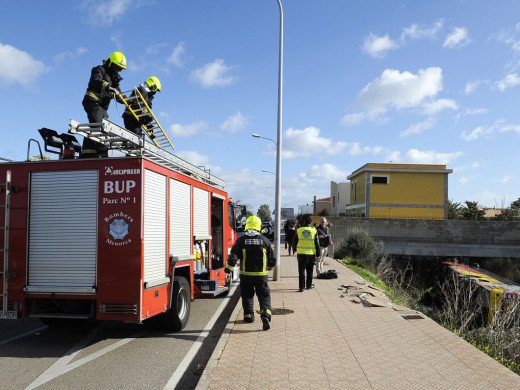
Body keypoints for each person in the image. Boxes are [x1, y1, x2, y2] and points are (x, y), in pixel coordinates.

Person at [225, 215, 276, 331]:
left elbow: (233, 256)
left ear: (247, 225)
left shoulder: (241, 241)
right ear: (259, 226)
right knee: (264, 296)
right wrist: (269, 267)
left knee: (247, 296)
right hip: (261, 276)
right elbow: (272, 259)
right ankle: (265, 315)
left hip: (246, 275)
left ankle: (248, 316)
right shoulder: (265, 241)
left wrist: (228, 270)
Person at [81, 51, 127, 158]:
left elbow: (118, 93)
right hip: (92, 101)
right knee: (97, 123)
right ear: (110, 62)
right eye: (116, 67)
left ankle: (101, 152)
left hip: (102, 107)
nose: (117, 70)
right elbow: (96, 80)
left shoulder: (114, 78)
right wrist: (108, 87)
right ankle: (88, 153)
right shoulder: (99, 69)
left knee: (105, 127)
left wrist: (126, 100)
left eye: (119, 68)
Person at [292, 215, 321, 292]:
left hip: (301, 254)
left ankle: (301, 287)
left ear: (304, 222)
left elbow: (295, 241)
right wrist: (318, 254)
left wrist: (294, 249)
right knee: (310, 271)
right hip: (311, 254)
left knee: (301, 271)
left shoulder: (299, 230)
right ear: (311, 223)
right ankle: (308, 285)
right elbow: (317, 243)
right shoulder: (314, 230)